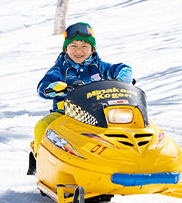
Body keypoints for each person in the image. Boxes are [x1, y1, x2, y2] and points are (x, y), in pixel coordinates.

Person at [29, 22, 133, 174]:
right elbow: (42, 88)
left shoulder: (100, 67)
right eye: (74, 46)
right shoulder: (60, 69)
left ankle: (129, 161)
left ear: (92, 49)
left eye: (84, 46)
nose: (79, 51)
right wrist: (54, 87)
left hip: (98, 115)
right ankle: (42, 163)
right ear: (66, 48)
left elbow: (121, 68)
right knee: (43, 125)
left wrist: (124, 76)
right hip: (65, 116)